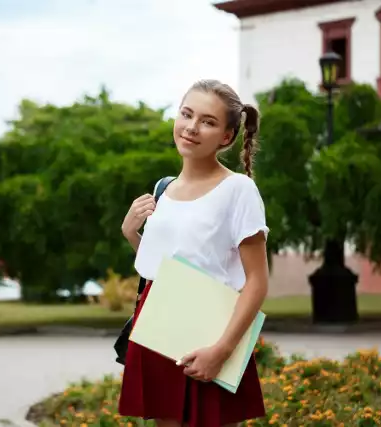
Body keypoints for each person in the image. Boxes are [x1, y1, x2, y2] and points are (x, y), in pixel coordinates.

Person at [118, 79, 270, 427]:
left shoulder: (238, 190)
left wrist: (221, 351)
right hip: (159, 328)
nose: (191, 127)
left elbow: (257, 283)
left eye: (208, 121)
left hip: (209, 334)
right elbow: (164, 267)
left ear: (227, 136)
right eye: (186, 114)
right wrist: (131, 234)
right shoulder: (164, 188)